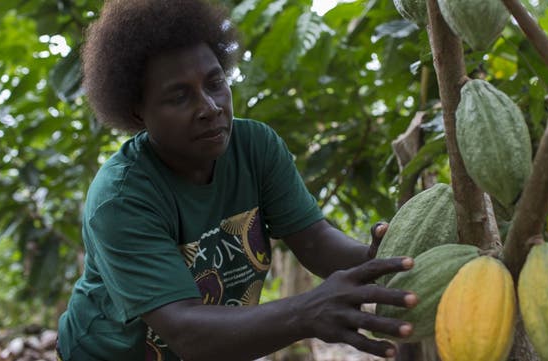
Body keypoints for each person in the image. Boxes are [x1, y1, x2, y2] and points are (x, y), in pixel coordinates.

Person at [56, 0, 418, 360]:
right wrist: (306, 312)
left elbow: (315, 241)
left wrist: (377, 260)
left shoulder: (255, 148)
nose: (210, 107)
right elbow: (188, 332)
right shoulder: (121, 198)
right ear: (139, 112)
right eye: (179, 96)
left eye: (215, 83)